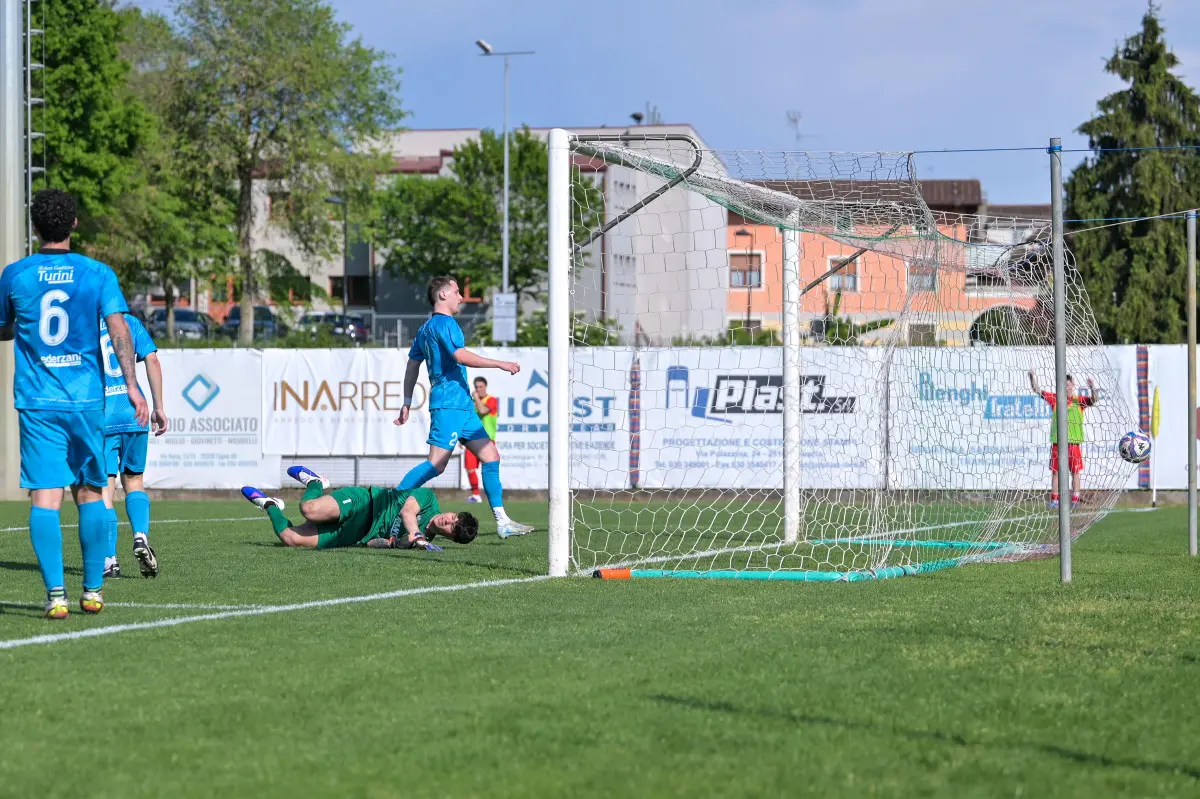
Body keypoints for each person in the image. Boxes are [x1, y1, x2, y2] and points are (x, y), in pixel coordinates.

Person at [0, 188, 148, 618]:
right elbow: (120, 332)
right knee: (90, 491)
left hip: (37, 401)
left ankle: (55, 596)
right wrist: (133, 385)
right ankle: (93, 590)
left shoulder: (15, 274)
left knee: (45, 496)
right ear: (74, 225)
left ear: (34, 227)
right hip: (86, 400)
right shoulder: (97, 273)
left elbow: (5, 329)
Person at [394, 276, 534, 540]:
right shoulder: (446, 323)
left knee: (491, 456)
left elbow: (413, 365)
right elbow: (459, 355)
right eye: (457, 292)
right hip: (449, 405)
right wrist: (499, 364)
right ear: (443, 295)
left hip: (463, 406)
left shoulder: (424, 330)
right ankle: (392, 503)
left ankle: (502, 521)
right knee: (436, 464)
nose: (461, 297)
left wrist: (407, 402)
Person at [241, 465, 478, 550]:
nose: (447, 520)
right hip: (364, 503)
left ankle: (270, 505)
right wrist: (415, 535)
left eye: (452, 526)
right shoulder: (428, 498)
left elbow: (377, 543)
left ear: (450, 536)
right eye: (454, 516)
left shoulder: (422, 543)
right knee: (309, 509)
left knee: (290, 539)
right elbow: (407, 511)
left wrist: (394, 544)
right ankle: (315, 482)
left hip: (355, 533)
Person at [100, 312, 167, 579]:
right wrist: (159, 407)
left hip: (101, 416)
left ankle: (109, 560)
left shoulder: (82, 323)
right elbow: (152, 359)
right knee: (134, 481)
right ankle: (140, 535)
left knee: (104, 490)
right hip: (133, 411)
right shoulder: (130, 322)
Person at [1029, 369, 1099, 508]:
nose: (1066, 387)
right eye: (1063, 385)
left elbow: (1094, 399)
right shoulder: (1055, 399)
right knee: (1056, 472)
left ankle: (1075, 500)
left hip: (1073, 443)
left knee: (1075, 472)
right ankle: (1055, 500)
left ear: (1073, 385)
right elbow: (1037, 390)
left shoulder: (1078, 401)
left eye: (1068, 385)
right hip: (1058, 443)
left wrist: (1092, 387)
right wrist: (1032, 378)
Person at [462, 376, 499, 503]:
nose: (478, 389)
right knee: (469, 467)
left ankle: (493, 496)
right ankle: (476, 495)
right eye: (476, 387)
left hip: (487, 440)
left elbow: (483, 410)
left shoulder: (492, 400)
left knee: (489, 469)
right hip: (472, 439)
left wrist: (476, 398)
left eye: (480, 387)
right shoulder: (472, 403)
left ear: (485, 387)